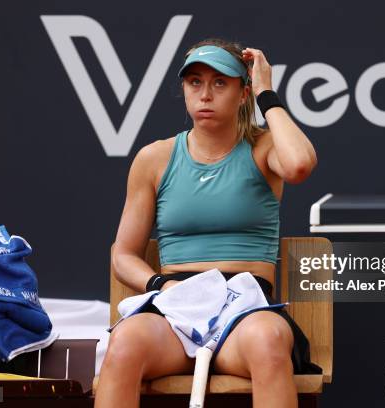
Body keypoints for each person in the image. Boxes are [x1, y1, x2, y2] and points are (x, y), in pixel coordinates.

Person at [95, 38, 318, 408]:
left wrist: (267, 93)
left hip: (244, 310)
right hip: (176, 306)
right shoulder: (154, 158)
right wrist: (159, 285)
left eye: (220, 83)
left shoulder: (263, 149)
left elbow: (299, 165)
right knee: (124, 344)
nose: (205, 94)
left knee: (268, 340)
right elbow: (123, 254)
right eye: (195, 82)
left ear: (242, 92)